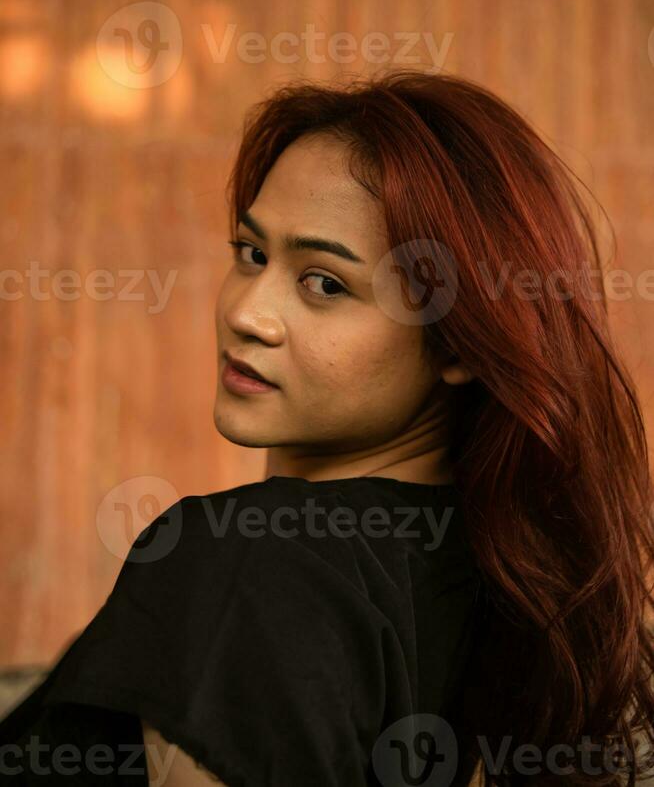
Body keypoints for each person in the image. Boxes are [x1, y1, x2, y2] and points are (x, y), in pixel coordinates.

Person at [1, 68, 653, 787]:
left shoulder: (249, 565)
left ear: (459, 343)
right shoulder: (496, 585)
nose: (247, 312)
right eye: (252, 254)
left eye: (325, 283)